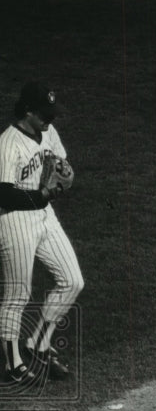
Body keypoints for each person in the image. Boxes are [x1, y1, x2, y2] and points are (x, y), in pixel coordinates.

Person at [0, 81, 83, 384]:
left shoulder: (48, 130)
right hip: (13, 220)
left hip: (44, 216)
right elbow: (4, 195)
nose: (51, 118)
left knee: (72, 281)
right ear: (27, 111)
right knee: (18, 294)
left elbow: (59, 159)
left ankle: (38, 345)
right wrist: (44, 194)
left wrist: (62, 172)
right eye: (45, 114)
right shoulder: (7, 145)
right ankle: (13, 365)